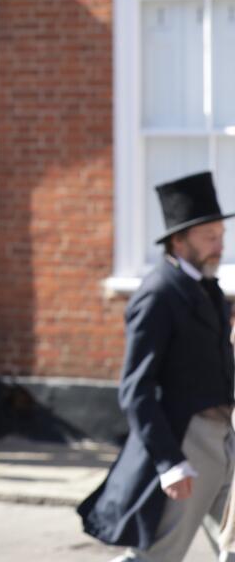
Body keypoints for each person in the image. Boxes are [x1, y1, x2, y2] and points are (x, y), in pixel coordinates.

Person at [78, 171, 235, 561]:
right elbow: (136, 388)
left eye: (221, 234)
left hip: (223, 440)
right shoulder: (159, 293)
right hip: (188, 444)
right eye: (209, 236)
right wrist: (170, 463)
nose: (220, 244)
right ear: (179, 241)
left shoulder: (208, 287)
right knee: (158, 557)